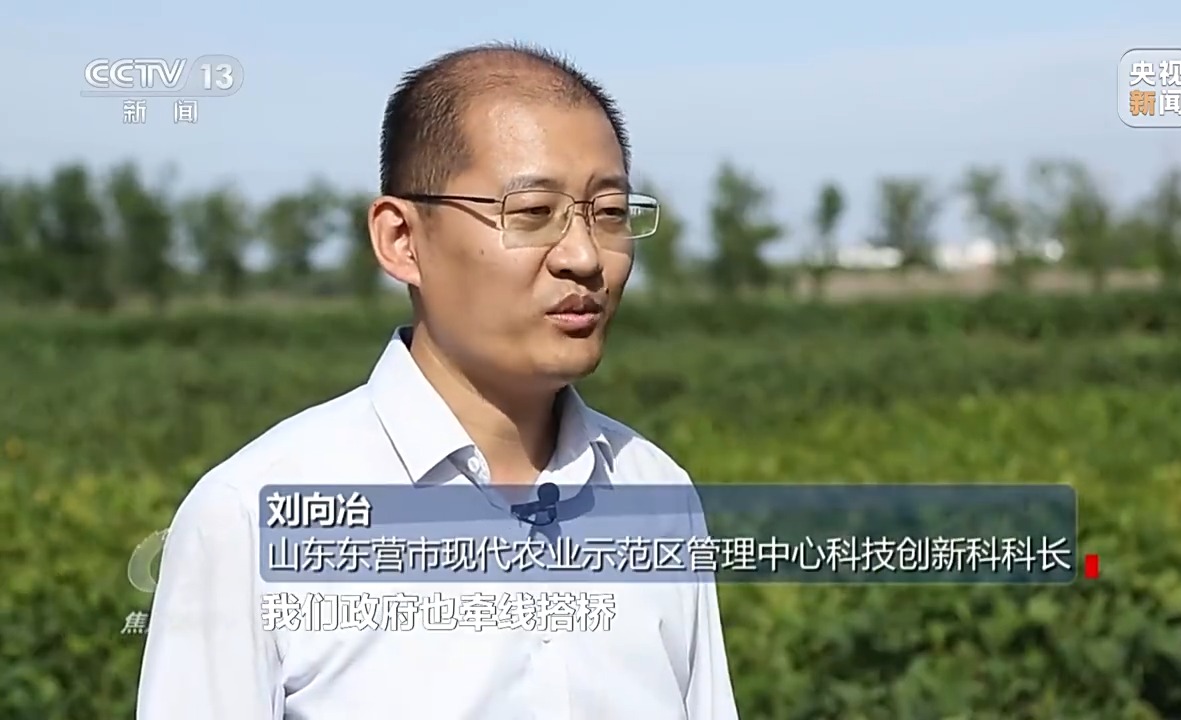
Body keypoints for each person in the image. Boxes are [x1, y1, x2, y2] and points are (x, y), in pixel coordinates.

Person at [136, 42, 739, 719]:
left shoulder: (655, 495)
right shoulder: (252, 516)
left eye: (609, 214)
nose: (583, 257)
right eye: (532, 212)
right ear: (401, 240)